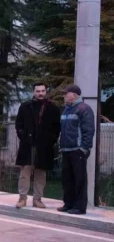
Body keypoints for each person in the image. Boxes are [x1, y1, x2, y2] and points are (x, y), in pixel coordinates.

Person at [14, 82, 61, 209]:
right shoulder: (25, 107)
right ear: (33, 92)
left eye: (43, 91)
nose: (40, 93)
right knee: (25, 173)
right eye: (38, 91)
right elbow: (18, 125)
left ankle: (37, 199)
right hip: (27, 146)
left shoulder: (52, 108)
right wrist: (24, 137)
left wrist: (50, 141)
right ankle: (22, 198)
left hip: (44, 147)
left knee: (41, 174)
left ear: (46, 92)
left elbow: (56, 128)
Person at [57, 84, 95, 215]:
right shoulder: (66, 109)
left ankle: (79, 207)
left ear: (74, 95)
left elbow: (88, 131)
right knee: (67, 179)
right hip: (66, 150)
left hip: (78, 150)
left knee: (79, 179)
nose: (64, 96)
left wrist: (84, 148)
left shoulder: (84, 109)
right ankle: (68, 204)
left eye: (66, 93)